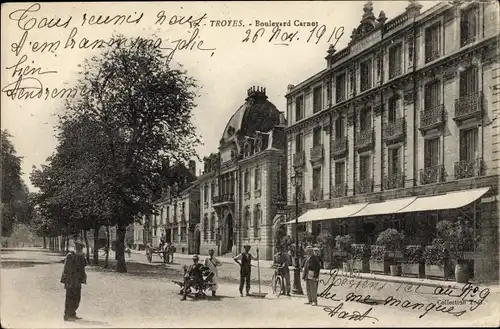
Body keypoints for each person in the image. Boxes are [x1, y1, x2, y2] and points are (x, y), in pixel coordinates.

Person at [60, 239, 87, 321]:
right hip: (70, 280)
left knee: (77, 298)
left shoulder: (81, 256)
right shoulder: (70, 255)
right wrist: (64, 279)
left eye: (81, 248)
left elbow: (84, 266)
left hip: (78, 280)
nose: (80, 249)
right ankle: (67, 315)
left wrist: (82, 257)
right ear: (75, 247)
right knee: (69, 297)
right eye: (78, 247)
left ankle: (73, 313)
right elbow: (66, 268)